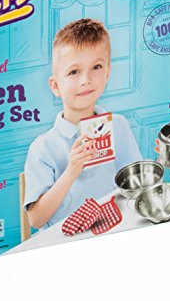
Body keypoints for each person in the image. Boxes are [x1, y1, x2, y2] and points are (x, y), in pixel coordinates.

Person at [24, 18, 142, 229]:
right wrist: (72, 170)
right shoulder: (43, 148)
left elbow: (137, 183)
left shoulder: (118, 126)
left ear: (107, 72)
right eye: (74, 72)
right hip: (64, 238)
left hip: (115, 228)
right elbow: (36, 219)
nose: (86, 80)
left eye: (96, 67)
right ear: (55, 86)